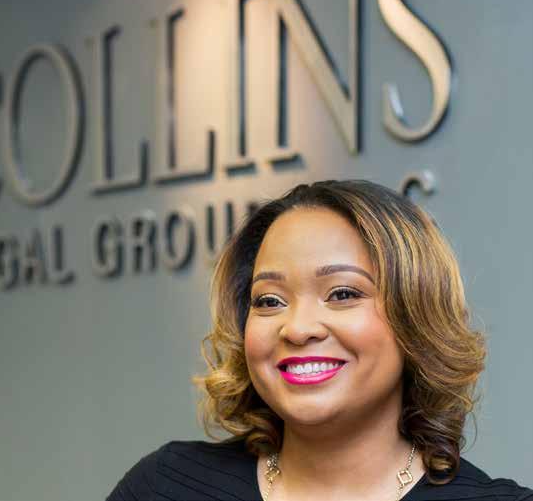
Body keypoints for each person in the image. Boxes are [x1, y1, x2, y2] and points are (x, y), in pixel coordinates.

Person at [107, 180, 533, 501]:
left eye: (342, 294)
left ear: (415, 317)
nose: (297, 328)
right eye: (269, 301)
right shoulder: (163, 486)